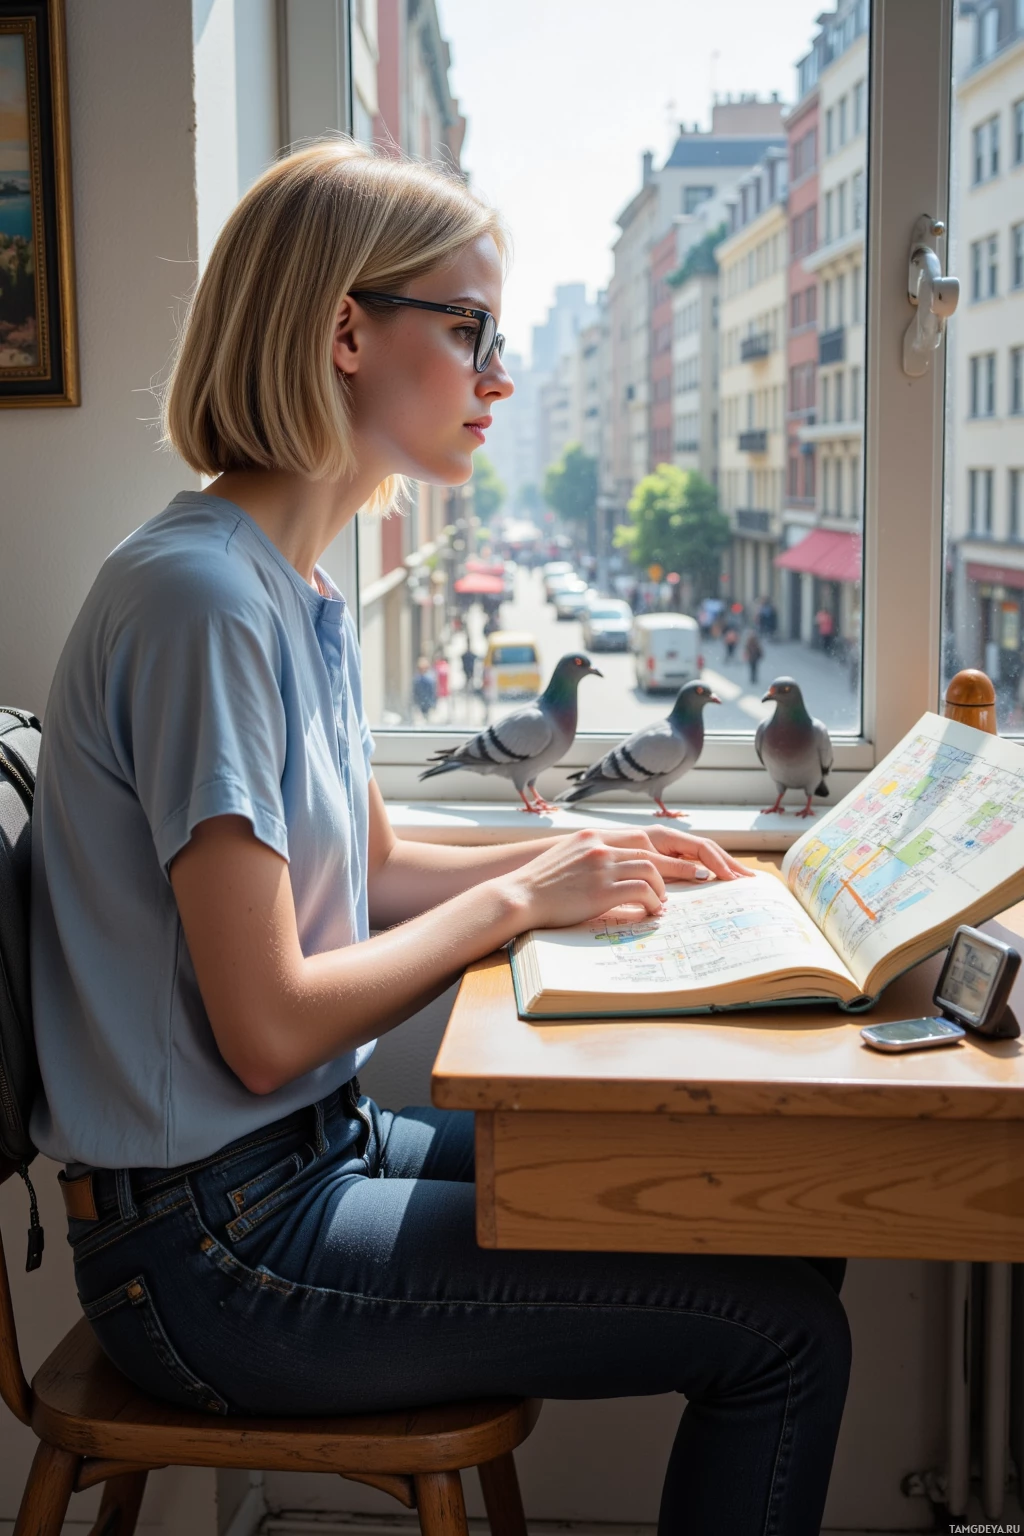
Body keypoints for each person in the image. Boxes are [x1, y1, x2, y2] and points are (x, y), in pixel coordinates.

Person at [30, 140, 850, 1536]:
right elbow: (268, 1026)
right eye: (469, 330)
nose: (500, 377)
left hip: (298, 1166)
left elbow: (370, 860)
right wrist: (526, 897)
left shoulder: (287, 587)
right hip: (216, 1250)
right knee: (785, 1335)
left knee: (788, 1223)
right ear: (345, 331)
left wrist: (602, 872)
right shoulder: (201, 607)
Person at [412, 655, 437, 721]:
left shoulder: (429, 679)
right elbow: (415, 692)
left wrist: (433, 703)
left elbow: (432, 692)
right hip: (421, 703)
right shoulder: (417, 679)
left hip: (427, 702)